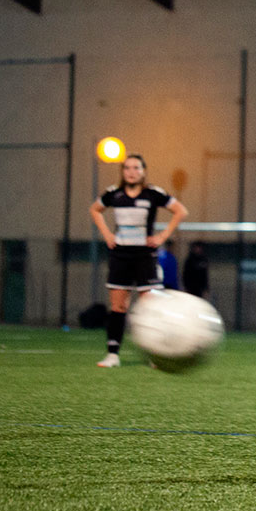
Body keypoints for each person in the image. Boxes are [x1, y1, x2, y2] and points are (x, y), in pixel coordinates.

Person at [88, 154, 188, 367]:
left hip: (145, 256)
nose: (131, 172)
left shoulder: (153, 193)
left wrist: (162, 236)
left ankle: (153, 354)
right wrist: (107, 234)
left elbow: (180, 211)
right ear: (122, 171)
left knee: (149, 307)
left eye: (136, 168)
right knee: (118, 306)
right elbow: (95, 210)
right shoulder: (113, 193)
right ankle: (112, 354)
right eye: (127, 168)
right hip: (120, 255)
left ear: (143, 171)